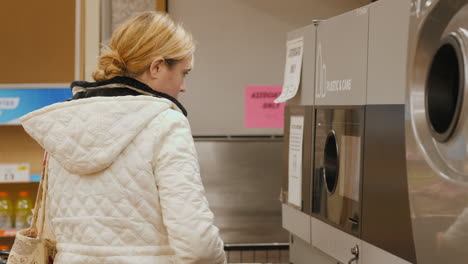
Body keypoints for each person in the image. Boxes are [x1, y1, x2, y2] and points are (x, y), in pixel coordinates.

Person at [20, 11, 226, 264]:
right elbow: (198, 246)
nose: (183, 86)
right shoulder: (165, 123)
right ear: (157, 67)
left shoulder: (65, 123)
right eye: (185, 73)